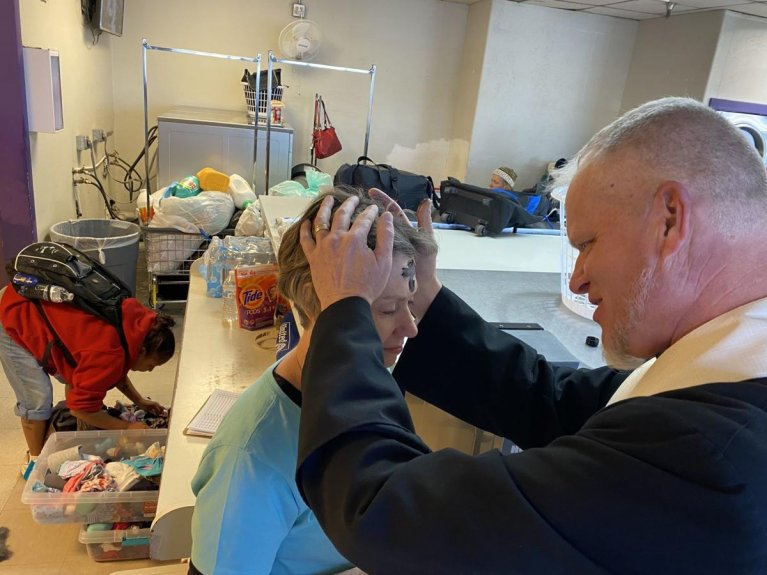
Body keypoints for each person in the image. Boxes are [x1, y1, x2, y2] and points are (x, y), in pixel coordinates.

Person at [293, 96, 767, 574]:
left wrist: (346, 310)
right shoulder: (727, 372)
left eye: (588, 244)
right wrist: (426, 298)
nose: (577, 279)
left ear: (670, 219)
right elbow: (552, 400)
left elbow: (386, 511)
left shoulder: (709, 451)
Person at [187, 187, 436, 575]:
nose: (410, 328)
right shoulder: (253, 459)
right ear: (311, 302)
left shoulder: (370, 389)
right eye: (387, 308)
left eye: (411, 302)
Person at [0, 286, 175, 477]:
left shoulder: (139, 325)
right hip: (14, 311)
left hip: (37, 303)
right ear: (142, 352)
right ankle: (34, 463)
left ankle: (57, 441)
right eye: (152, 365)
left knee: (75, 379)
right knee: (37, 399)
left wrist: (140, 401)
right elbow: (80, 409)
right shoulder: (109, 352)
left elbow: (117, 366)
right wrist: (127, 427)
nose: (150, 370)